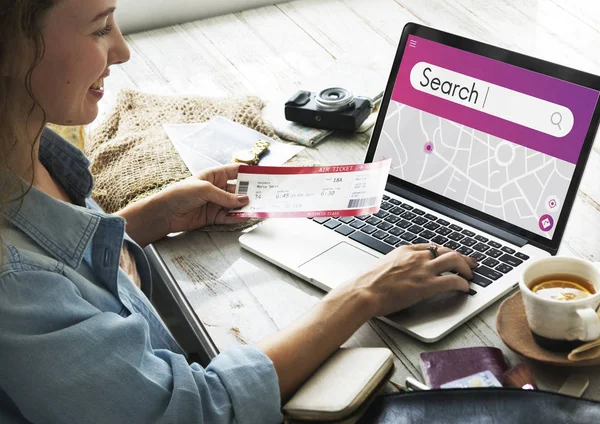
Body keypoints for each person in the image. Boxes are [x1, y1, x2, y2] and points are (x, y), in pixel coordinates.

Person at [0, 1, 477, 423]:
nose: (122, 50)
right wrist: (362, 295)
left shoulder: (30, 149)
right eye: (100, 27)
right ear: (11, 46)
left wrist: (148, 219)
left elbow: (65, 265)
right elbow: (198, 410)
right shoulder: (14, 288)